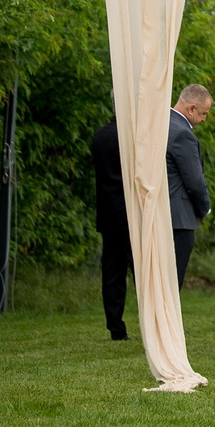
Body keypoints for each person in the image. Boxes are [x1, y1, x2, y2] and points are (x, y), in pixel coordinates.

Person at [165, 85, 213, 287]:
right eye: (203, 113)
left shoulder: (159, 123)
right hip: (179, 218)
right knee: (172, 281)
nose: (204, 119)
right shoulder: (182, 134)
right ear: (191, 108)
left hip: (158, 212)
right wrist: (204, 209)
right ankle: (168, 319)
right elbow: (194, 181)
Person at [90, 117, 133, 340]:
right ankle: (153, 326)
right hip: (131, 214)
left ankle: (116, 327)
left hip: (108, 213)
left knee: (112, 273)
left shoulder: (101, 135)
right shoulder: (132, 136)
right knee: (142, 273)